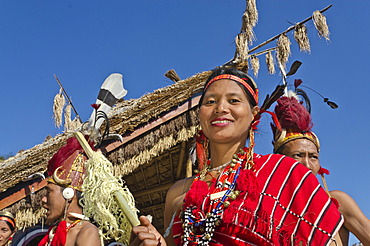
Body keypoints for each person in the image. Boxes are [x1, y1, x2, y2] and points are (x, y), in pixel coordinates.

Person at [131, 67, 343, 246]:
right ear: (200, 114)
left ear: (253, 113)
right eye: (210, 102)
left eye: (233, 100)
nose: (221, 108)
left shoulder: (286, 173)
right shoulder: (178, 192)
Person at [271, 96, 370, 246]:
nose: (307, 164)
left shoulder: (337, 203)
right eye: (298, 155)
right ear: (280, 161)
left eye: (313, 157)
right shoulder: (268, 209)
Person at [39, 137, 101, 246]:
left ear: (68, 194)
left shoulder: (86, 232)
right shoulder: (52, 234)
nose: (43, 200)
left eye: (49, 192)